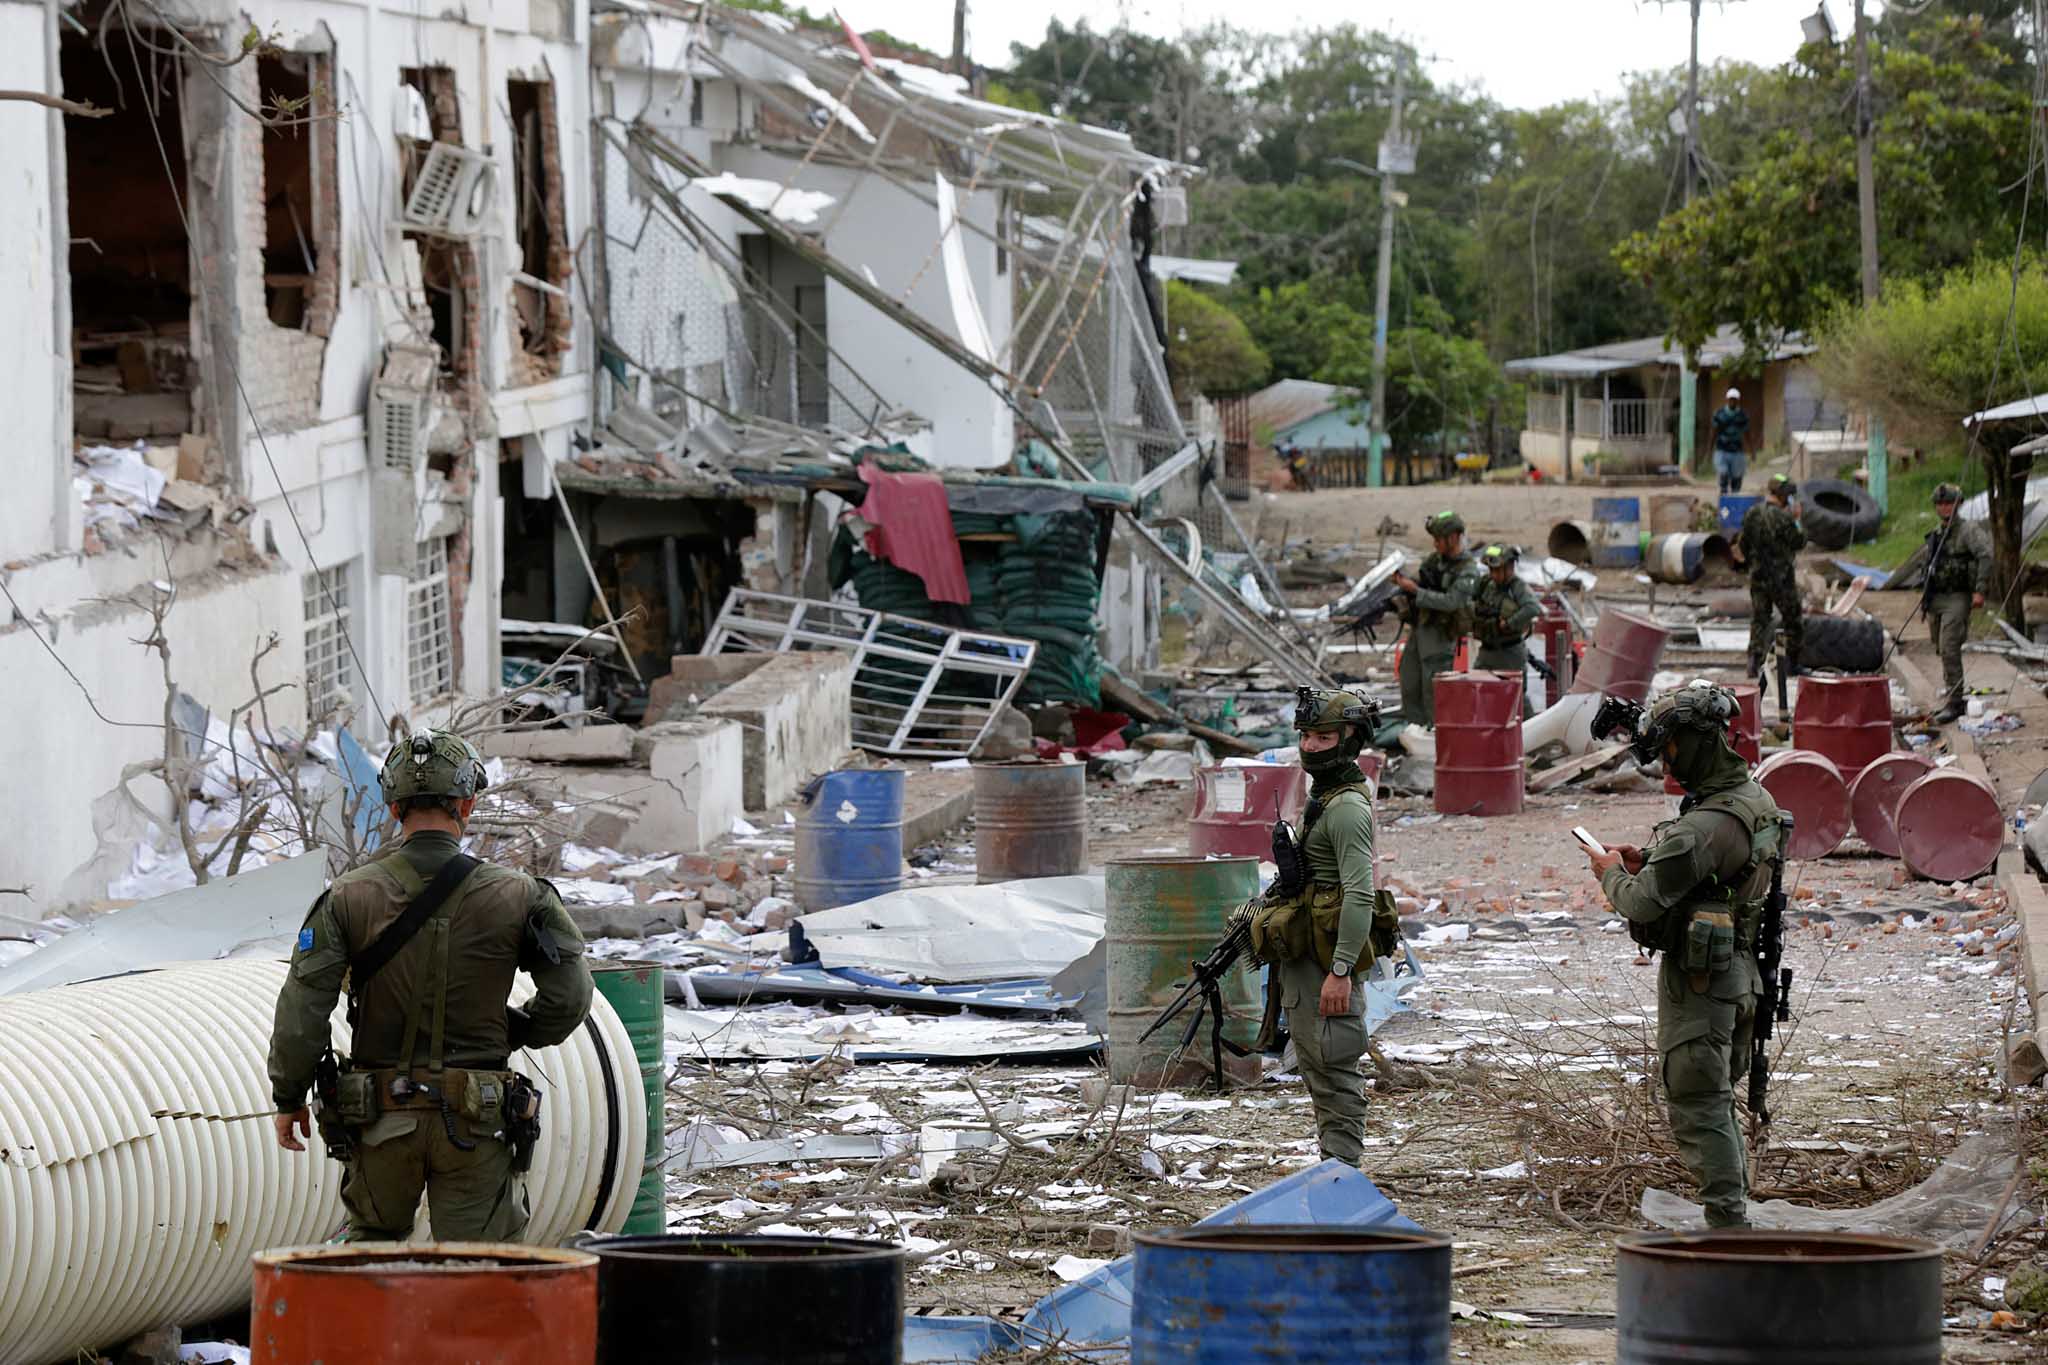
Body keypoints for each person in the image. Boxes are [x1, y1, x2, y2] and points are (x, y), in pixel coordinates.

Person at [268, 729, 594, 1241]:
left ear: (394, 809)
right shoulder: (521, 895)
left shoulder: (346, 898)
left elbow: (302, 1012)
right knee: (477, 1270)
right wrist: (518, 1031)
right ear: (467, 803)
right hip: (477, 1118)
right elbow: (571, 997)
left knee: (370, 1257)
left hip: (379, 1119)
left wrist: (288, 1096)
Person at [1583, 684, 1786, 1229]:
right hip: (1739, 975)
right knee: (1714, 1098)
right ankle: (1733, 1206)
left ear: (1696, 742)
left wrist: (1610, 873)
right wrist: (1645, 855)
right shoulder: (1751, 799)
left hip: (1700, 985)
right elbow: (1717, 865)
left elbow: (1644, 899)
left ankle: (1727, 1223)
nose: (1666, 759)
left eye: (1669, 746)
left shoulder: (1700, 827)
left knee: (1698, 1100)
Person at [1246, 688, 1395, 1166]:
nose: (1311, 746)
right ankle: (1333, 1162)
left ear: (1351, 738)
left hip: (1329, 959)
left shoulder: (1347, 808)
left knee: (1333, 1067)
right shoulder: (1324, 797)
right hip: (1308, 953)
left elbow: (1359, 893)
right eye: (1306, 736)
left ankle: (1343, 1172)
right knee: (1314, 1061)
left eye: (1323, 736)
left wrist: (1342, 969)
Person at [1390, 510, 1482, 727]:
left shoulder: (1468, 570)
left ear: (1453, 537)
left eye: (1439, 539)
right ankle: (1415, 728)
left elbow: (1452, 602)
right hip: (1421, 628)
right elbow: (1422, 578)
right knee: (1409, 679)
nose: (1435, 544)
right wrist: (1404, 583)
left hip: (1440, 636)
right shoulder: (1436, 560)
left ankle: (1435, 735)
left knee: (1434, 691)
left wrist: (1416, 592)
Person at [1924, 482, 1992, 723]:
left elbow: (1986, 555)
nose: (1944, 508)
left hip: (1958, 596)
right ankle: (1950, 694)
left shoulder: (1968, 531)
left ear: (1958, 504)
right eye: (1940, 504)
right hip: (1937, 598)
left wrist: (1980, 590)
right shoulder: (1938, 533)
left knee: (1950, 646)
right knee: (1942, 648)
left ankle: (1955, 702)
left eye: (1948, 503)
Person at [1733, 474, 1805, 678]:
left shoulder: (1752, 513)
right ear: (1783, 496)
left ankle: (1752, 663)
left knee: (1759, 620)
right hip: (1782, 580)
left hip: (1758, 577)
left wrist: (1754, 564)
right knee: (1793, 620)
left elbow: (1743, 546)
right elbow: (1799, 541)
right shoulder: (1784, 518)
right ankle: (1793, 664)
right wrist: (1798, 520)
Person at [1471, 543, 1543, 717]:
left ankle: (1532, 737)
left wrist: (1509, 623)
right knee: (1475, 690)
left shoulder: (1517, 587)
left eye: (1497, 570)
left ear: (1510, 567)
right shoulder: (1486, 584)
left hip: (1509, 653)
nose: (1493, 574)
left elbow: (1533, 607)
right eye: (1491, 570)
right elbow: (1469, 599)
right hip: (1486, 651)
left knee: (1516, 699)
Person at [1712, 389, 1750, 494]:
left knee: (1737, 477)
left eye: (1735, 400)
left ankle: (1734, 498)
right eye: (1730, 399)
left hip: (1737, 450)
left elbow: (1747, 433)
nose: (1732, 402)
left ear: (1738, 401)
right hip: (1722, 449)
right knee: (1723, 473)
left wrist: (1752, 450)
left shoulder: (1742, 415)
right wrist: (1710, 448)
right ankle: (1723, 495)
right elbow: (1714, 432)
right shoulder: (1719, 414)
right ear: (1727, 400)